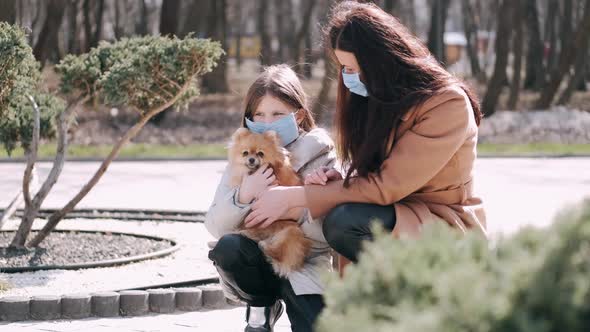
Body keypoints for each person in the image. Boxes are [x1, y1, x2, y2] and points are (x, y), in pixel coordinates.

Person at [244, 1, 486, 272]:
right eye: (345, 69)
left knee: (344, 221)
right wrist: (344, 179)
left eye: (356, 68)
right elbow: (378, 177)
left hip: (441, 221)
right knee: (335, 216)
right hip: (396, 212)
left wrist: (295, 196)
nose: (350, 77)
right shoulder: (376, 98)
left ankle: (404, 295)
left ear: (383, 61)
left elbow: (388, 185)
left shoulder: (447, 104)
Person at [205, 64, 336, 332]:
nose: (267, 124)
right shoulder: (244, 159)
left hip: (304, 262)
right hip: (255, 257)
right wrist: (244, 195)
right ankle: (261, 302)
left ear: (298, 116)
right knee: (228, 248)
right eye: (259, 115)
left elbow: (329, 232)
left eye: (277, 114)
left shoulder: (321, 155)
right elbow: (215, 225)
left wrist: (292, 207)